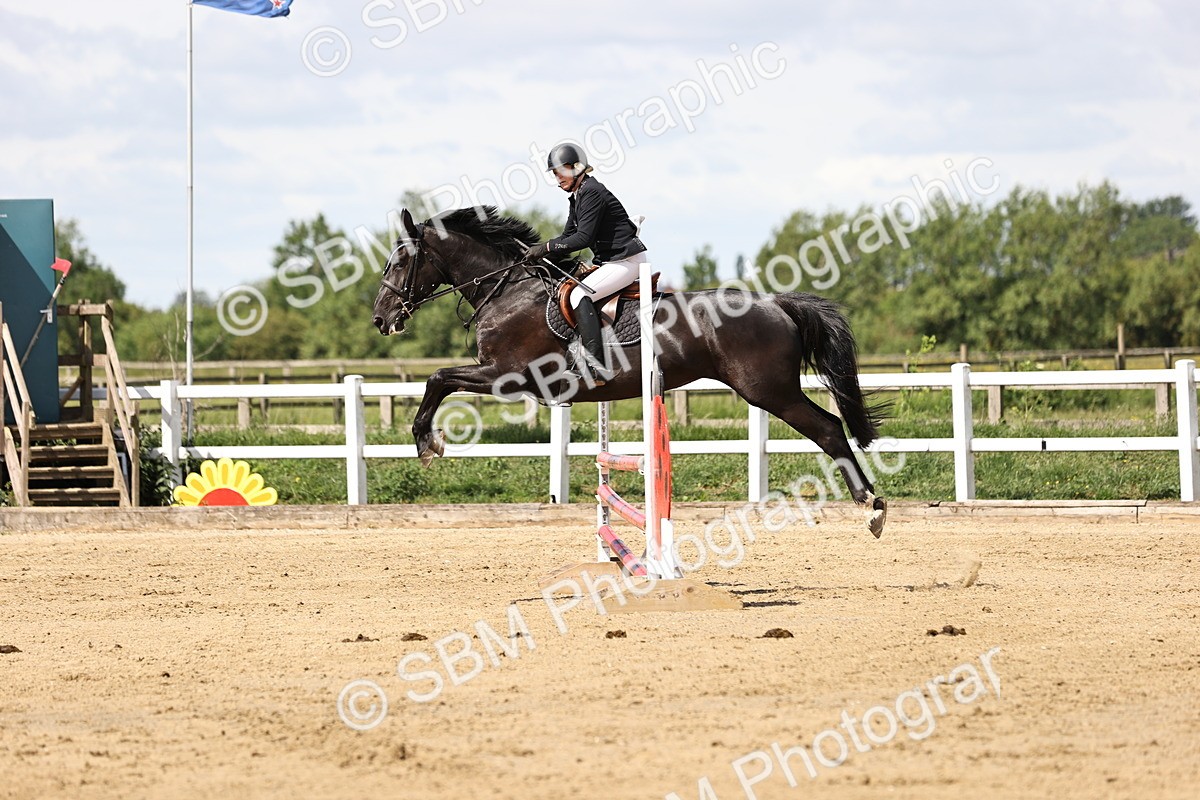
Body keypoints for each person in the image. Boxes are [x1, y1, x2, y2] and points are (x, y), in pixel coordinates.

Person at [523, 142, 647, 384]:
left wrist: (545, 248)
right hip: (611, 261)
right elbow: (566, 236)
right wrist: (538, 256)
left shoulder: (592, 192)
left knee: (580, 295)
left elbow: (582, 239)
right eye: (555, 173)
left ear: (576, 168)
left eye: (560, 171)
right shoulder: (577, 196)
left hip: (626, 261)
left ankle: (596, 366)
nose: (557, 177)